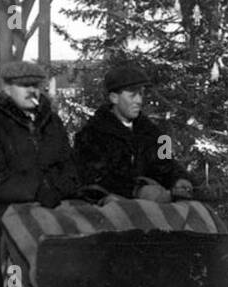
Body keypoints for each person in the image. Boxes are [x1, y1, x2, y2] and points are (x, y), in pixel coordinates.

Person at [0, 59, 78, 242]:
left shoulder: (53, 123)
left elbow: (68, 166)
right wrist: (36, 191)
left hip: (54, 205)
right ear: (7, 89)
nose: (31, 90)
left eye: (35, 85)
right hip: (6, 209)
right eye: (23, 85)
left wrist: (56, 191)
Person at [73, 63, 193, 203]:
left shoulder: (156, 134)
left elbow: (167, 163)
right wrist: (137, 190)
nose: (139, 101)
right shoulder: (90, 136)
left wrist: (179, 180)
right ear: (114, 98)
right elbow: (94, 179)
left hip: (154, 207)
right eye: (132, 95)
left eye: (141, 94)